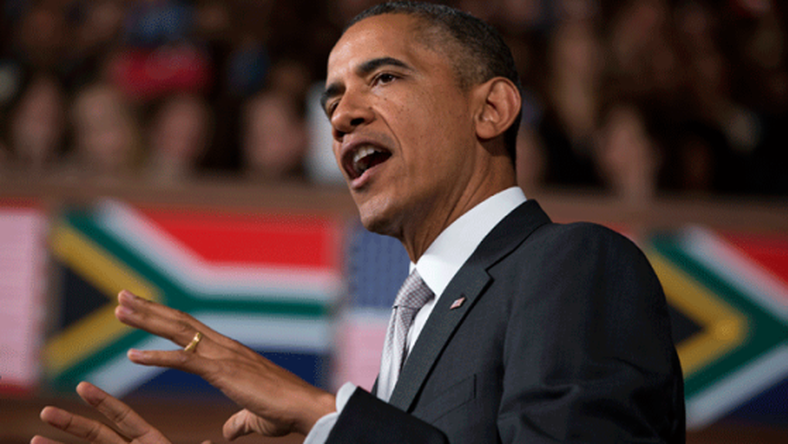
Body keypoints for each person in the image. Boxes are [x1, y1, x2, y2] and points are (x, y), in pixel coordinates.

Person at [32, 3, 685, 444]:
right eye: (333, 99)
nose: (343, 115)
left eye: (384, 78)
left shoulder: (574, 263)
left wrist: (325, 414)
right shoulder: (411, 333)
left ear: (491, 109)